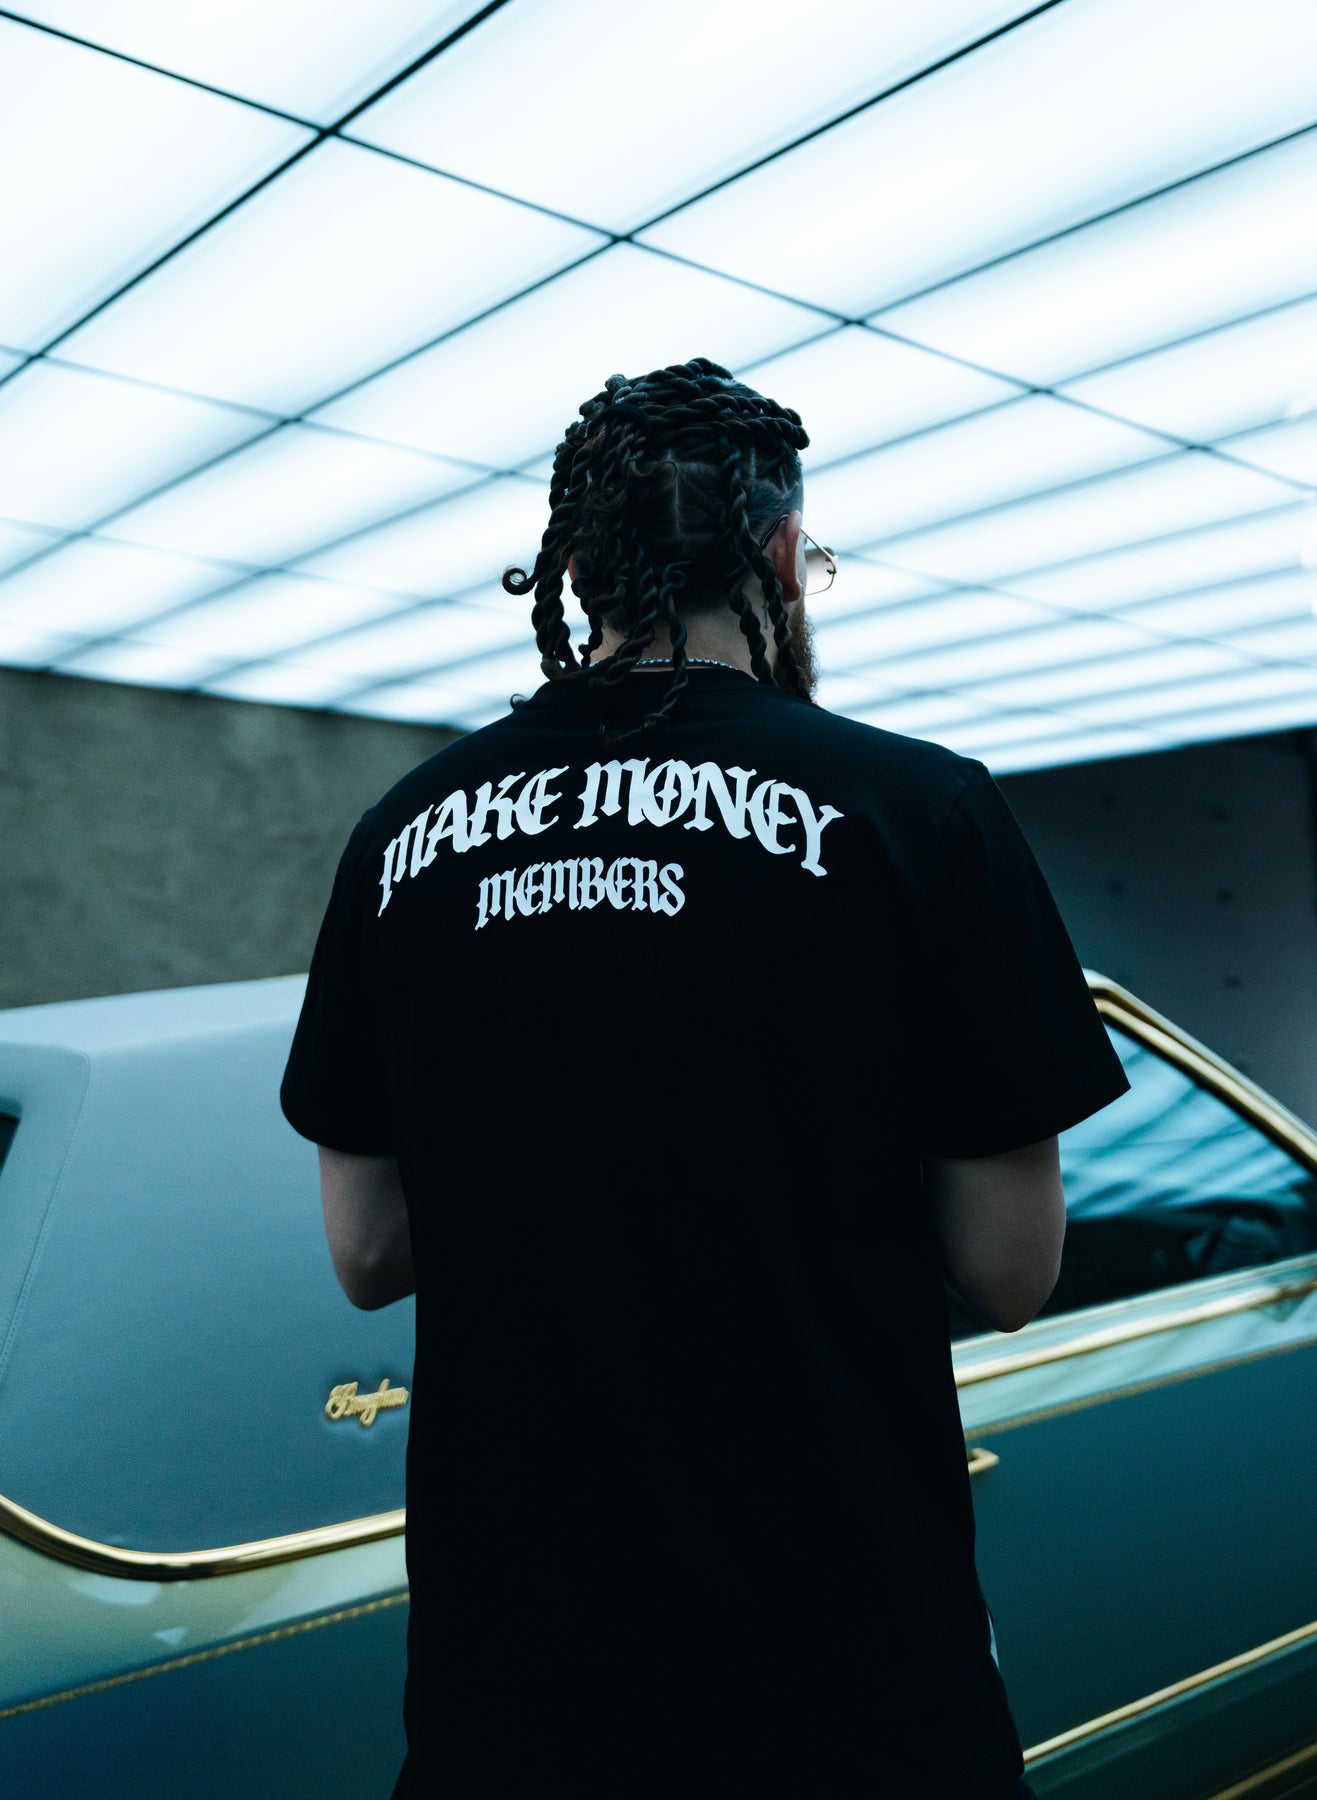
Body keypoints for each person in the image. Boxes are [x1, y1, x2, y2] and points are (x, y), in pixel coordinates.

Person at [280, 355, 1131, 1798]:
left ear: (576, 568)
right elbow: (1007, 1273)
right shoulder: (918, 808)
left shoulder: (401, 833)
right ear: (783, 556)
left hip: (515, 1681)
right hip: (845, 1672)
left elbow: (368, 1254)